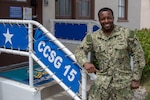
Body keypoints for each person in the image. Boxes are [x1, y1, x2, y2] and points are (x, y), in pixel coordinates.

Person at [75, 7, 145, 100]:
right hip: (102, 83)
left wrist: (136, 78)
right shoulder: (93, 37)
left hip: (123, 83)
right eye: (103, 19)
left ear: (113, 18)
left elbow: (138, 54)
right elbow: (79, 50)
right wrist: (85, 62)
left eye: (109, 18)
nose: (106, 21)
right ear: (99, 20)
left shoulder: (126, 34)